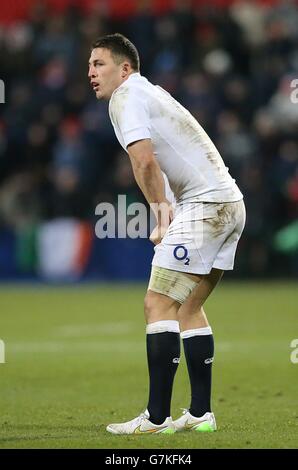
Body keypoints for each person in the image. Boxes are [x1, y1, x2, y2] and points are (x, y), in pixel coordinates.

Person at [88, 33, 245, 435]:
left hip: (205, 206)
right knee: (189, 307)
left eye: (99, 64)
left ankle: (155, 419)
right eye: (89, 65)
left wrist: (160, 216)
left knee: (157, 303)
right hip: (230, 203)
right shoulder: (150, 92)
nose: (91, 72)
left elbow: (143, 161)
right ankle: (200, 414)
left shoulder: (125, 97)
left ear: (125, 68)